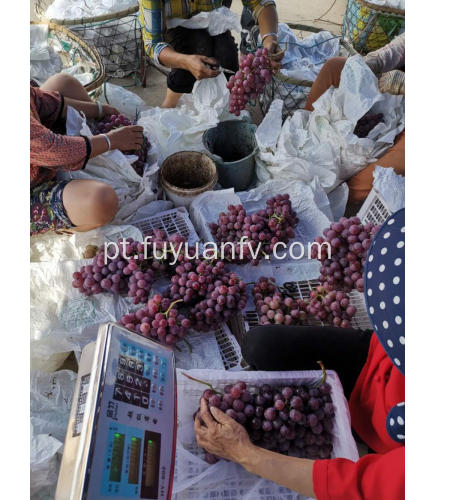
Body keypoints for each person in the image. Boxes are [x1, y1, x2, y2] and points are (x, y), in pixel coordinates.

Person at [194, 209, 405, 499]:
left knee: (288, 432)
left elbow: (360, 486)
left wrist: (245, 454)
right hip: (374, 358)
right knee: (261, 345)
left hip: (380, 437)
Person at [30, 74, 145, 235]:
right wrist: (110, 140)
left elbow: (44, 101)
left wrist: (100, 110)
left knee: (64, 83)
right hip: (32, 186)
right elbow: (56, 150)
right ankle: (62, 221)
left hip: (40, 150)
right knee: (101, 200)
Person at [304, 33, 405, 207]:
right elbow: (403, 46)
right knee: (335, 68)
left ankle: (343, 196)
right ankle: (302, 140)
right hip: (395, 95)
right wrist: (375, 62)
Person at [139, 0, 282, 108]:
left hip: (215, 20)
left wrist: (269, 38)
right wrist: (186, 61)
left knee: (227, 57)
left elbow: (261, 3)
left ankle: (226, 110)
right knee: (196, 50)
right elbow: (153, 44)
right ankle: (169, 104)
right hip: (174, 25)